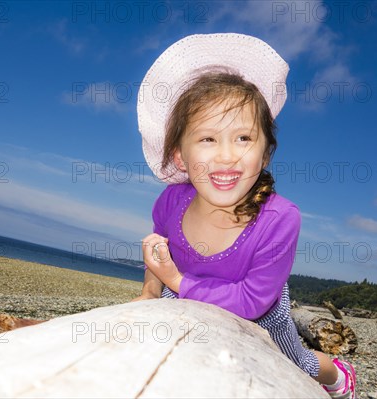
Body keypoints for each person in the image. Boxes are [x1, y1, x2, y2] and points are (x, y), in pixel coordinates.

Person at [134, 33, 356, 399]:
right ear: (179, 157)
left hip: (260, 307)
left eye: (243, 138)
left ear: (265, 154)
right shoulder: (171, 202)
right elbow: (160, 255)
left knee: (292, 363)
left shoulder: (280, 219)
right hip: (182, 290)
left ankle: (338, 373)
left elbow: (252, 300)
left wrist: (173, 279)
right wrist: (149, 290)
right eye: (207, 139)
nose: (226, 156)